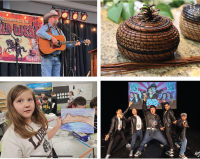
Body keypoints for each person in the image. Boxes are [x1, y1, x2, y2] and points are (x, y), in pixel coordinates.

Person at [1, 85, 62, 157]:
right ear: (12, 105)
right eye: (20, 101)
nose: (27, 105)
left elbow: (44, 138)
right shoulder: (10, 139)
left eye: (30, 99)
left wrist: (58, 126)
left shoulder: (36, 121)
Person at [37, 10, 81, 76]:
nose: (56, 19)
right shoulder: (46, 27)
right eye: (54, 17)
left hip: (57, 58)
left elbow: (64, 45)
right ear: (50, 19)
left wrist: (74, 44)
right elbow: (39, 32)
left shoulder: (59, 31)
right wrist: (51, 38)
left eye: (57, 17)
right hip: (47, 58)